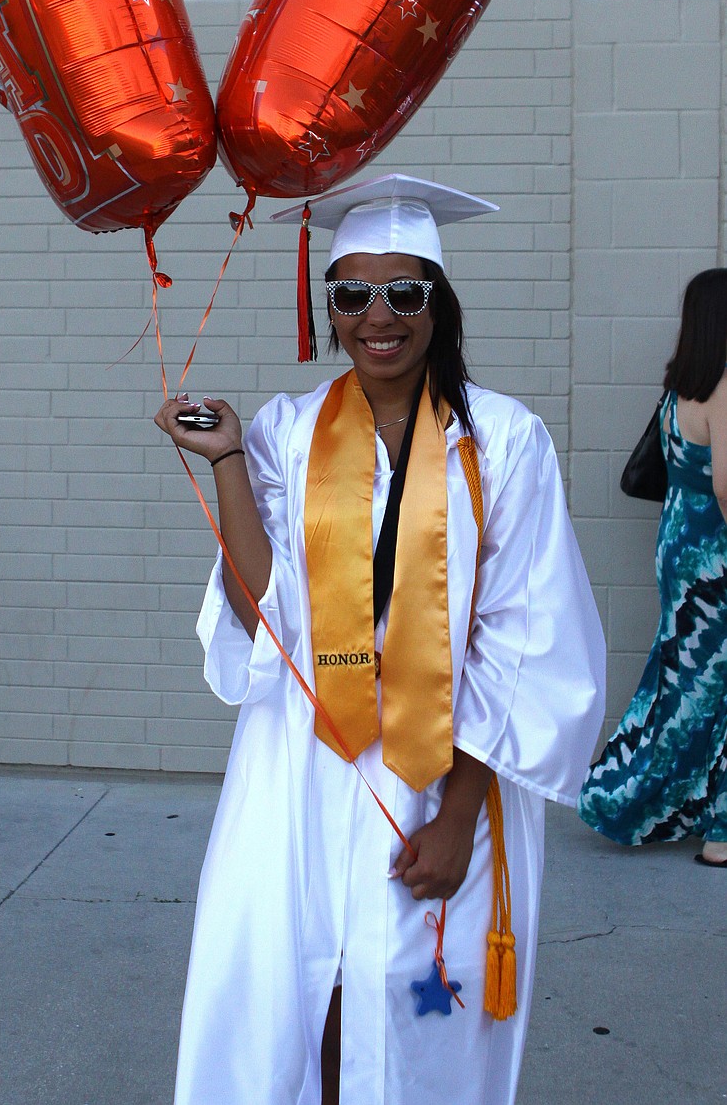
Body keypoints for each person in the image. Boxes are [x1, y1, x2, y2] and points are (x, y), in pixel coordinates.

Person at [154, 174, 605, 1105]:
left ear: (438, 306)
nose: (377, 317)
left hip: (443, 777)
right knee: (297, 995)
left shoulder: (506, 443)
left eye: (404, 292)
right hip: (301, 767)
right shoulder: (285, 431)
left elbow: (524, 641)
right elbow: (259, 609)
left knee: (409, 1015)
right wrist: (230, 458)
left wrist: (458, 818)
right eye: (352, 294)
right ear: (329, 306)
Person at [578, 267, 727, 867]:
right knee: (710, 691)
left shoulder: (678, 391)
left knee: (688, 683)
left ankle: (668, 806)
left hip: (679, 550)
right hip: (715, 559)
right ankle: (714, 830)